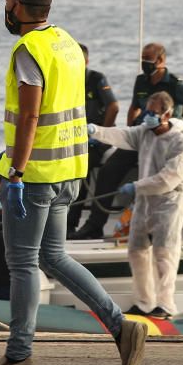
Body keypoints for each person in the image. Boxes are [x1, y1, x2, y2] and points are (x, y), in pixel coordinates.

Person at [0, 0, 146, 365]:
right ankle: (122, 327)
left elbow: (32, 113)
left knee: (22, 264)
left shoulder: (28, 50)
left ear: (17, 5)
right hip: (70, 171)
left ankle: (18, 357)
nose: (5, 10)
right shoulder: (66, 43)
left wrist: (14, 171)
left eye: (7, 2)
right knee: (52, 256)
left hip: (35, 176)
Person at [73, 42, 183, 239]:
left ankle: (152, 228)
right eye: (142, 59)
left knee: (156, 176)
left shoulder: (174, 84)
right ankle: (94, 225)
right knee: (108, 170)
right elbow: (134, 108)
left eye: (148, 59)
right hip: (143, 134)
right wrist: (101, 130)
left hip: (163, 138)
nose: (145, 63)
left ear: (161, 60)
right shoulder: (141, 81)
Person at [87, 91, 183, 319]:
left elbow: (168, 178)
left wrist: (136, 186)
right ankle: (144, 302)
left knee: (165, 253)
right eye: (147, 111)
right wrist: (96, 130)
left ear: (167, 113)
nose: (148, 116)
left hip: (169, 201)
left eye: (153, 112)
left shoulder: (180, 143)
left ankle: (165, 305)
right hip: (144, 201)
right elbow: (123, 134)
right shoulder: (145, 133)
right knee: (136, 251)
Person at [67, 43, 119, 234]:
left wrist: (100, 133)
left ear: (86, 61)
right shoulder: (66, 81)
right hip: (75, 137)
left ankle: (72, 223)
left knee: (80, 170)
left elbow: (113, 106)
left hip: (97, 139)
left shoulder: (96, 79)